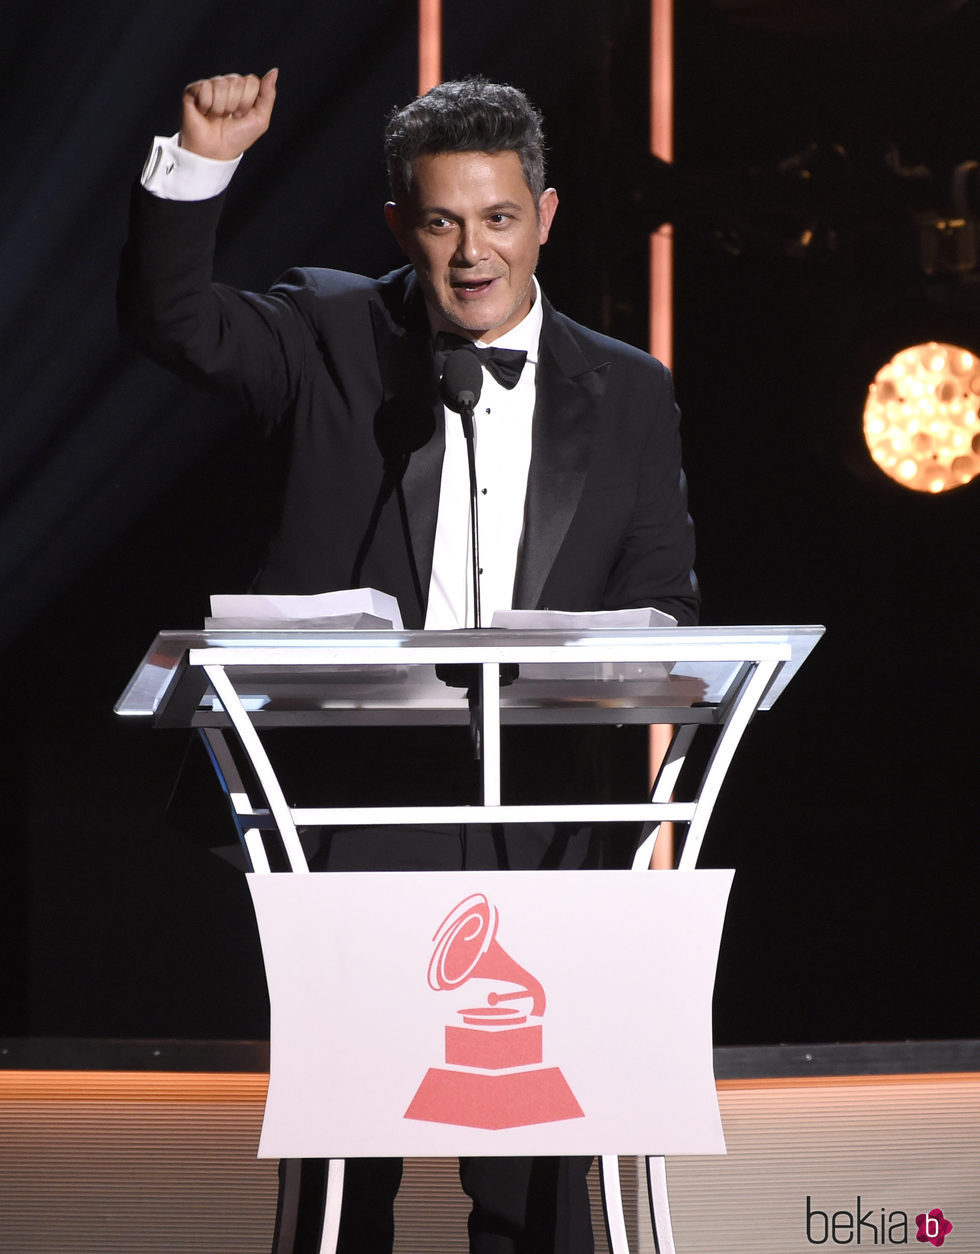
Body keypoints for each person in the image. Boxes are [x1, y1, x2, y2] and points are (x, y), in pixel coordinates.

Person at [119, 68, 698, 1254]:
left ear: (543, 215)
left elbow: (663, 603)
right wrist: (199, 164)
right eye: (440, 222)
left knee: (538, 1180)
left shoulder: (629, 390)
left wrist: (625, 662)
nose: (471, 253)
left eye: (496, 219)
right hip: (355, 805)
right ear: (401, 227)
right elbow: (175, 320)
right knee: (344, 1173)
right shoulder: (331, 334)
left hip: (549, 810)